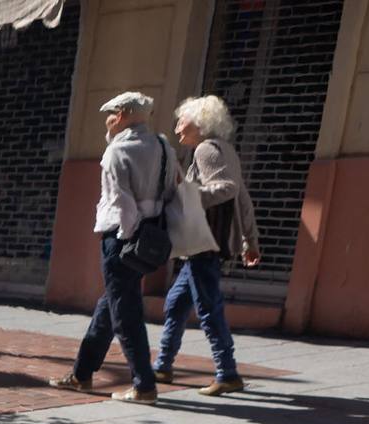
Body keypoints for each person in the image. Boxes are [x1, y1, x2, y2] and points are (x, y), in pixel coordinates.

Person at [53, 91, 168, 403]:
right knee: (111, 303)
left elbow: (120, 200)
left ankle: (144, 384)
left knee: (124, 310)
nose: (108, 119)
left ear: (124, 114)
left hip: (120, 237)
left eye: (112, 112)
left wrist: (128, 235)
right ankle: (82, 374)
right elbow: (173, 187)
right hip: (148, 237)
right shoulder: (161, 145)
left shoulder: (117, 150)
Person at [154, 94, 261, 398]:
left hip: (205, 243)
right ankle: (162, 365)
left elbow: (227, 190)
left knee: (208, 308)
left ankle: (227, 372)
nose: (177, 128)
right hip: (205, 244)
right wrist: (248, 241)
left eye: (182, 120)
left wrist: (185, 194)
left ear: (200, 123)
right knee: (176, 303)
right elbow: (242, 197)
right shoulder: (225, 149)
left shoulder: (206, 149)